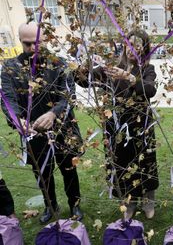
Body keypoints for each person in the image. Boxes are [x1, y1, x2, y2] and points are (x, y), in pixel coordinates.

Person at [1, 23, 83, 223]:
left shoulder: (60, 64)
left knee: (69, 169)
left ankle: (75, 204)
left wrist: (54, 113)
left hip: (64, 128)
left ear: (45, 41)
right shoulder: (10, 69)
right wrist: (17, 119)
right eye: (27, 44)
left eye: (37, 43)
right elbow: (7, 99)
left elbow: (69, 94)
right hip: (33, 132)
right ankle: (50, 205)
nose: (32, 49)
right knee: (42, 172)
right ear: (20, 41)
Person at [76, 29, 159, 219]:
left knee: (146, 163)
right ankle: (128, 204)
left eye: (137, 46)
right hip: (117, 127)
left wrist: (130, 78)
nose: (132, 50)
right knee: (123, 164)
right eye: (129, 45)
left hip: (141, 126)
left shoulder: (148, 69)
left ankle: (148, 201)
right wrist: (85, 62)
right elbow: (82, 81)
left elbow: (150, 90)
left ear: (144, 48)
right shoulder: (111, 67)